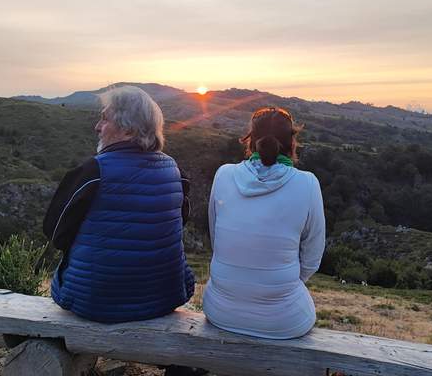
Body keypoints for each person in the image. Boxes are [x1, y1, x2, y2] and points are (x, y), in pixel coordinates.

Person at [43, 85, 194, 323]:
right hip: (167, 297)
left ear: (128, 131)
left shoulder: (92, 172)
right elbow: (178, 223)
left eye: (105, 120)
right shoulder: (176, 171)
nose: (97, 127)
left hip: (96, 302)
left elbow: (56, 235)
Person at [202, 107, 326, 339]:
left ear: (251, 141)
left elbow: (216, 239)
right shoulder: (307, 184)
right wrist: (279, 286)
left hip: (218, 310)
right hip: (284, 320)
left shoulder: (224, 175)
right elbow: (312, 258)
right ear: (292, 144)